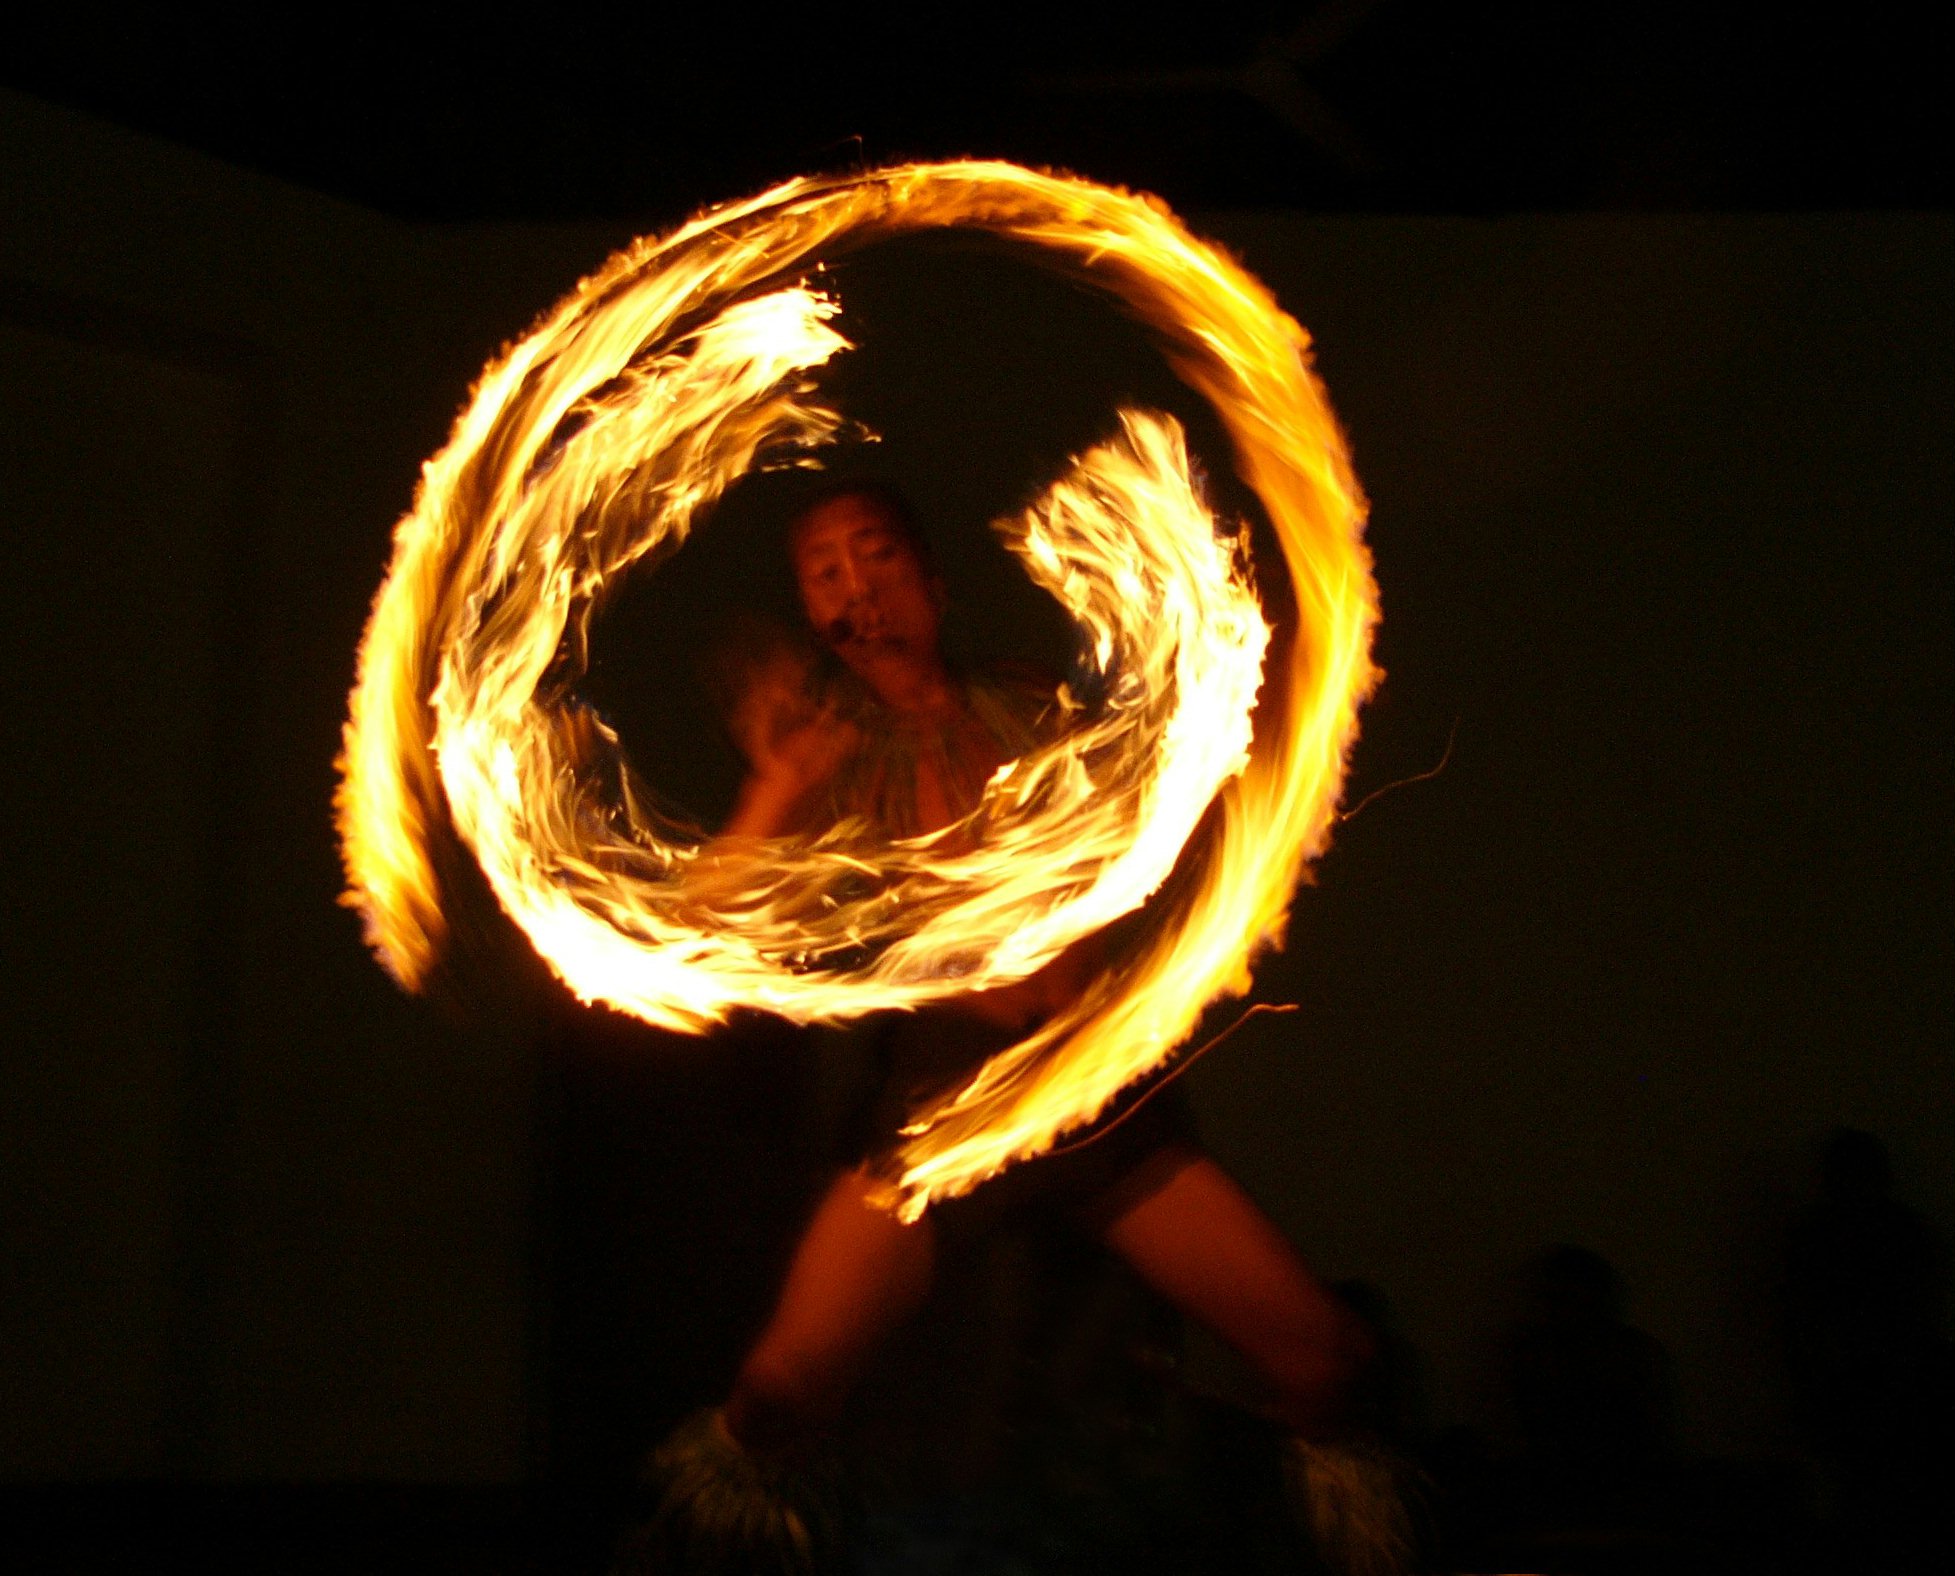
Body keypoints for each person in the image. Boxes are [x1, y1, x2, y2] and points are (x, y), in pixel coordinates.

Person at [625, 483, 1388, 1572]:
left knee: (1325, 1363)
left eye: (874, 555)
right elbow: (688, 929)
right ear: (814, 616)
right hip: (936, 1119)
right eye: (826, 574)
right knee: (776, 1393)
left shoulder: (1031, 701)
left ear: (929, 582)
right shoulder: (825, 759)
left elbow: (1150, 796)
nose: (857, 588)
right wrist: (773, 785)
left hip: (1087, 1097)